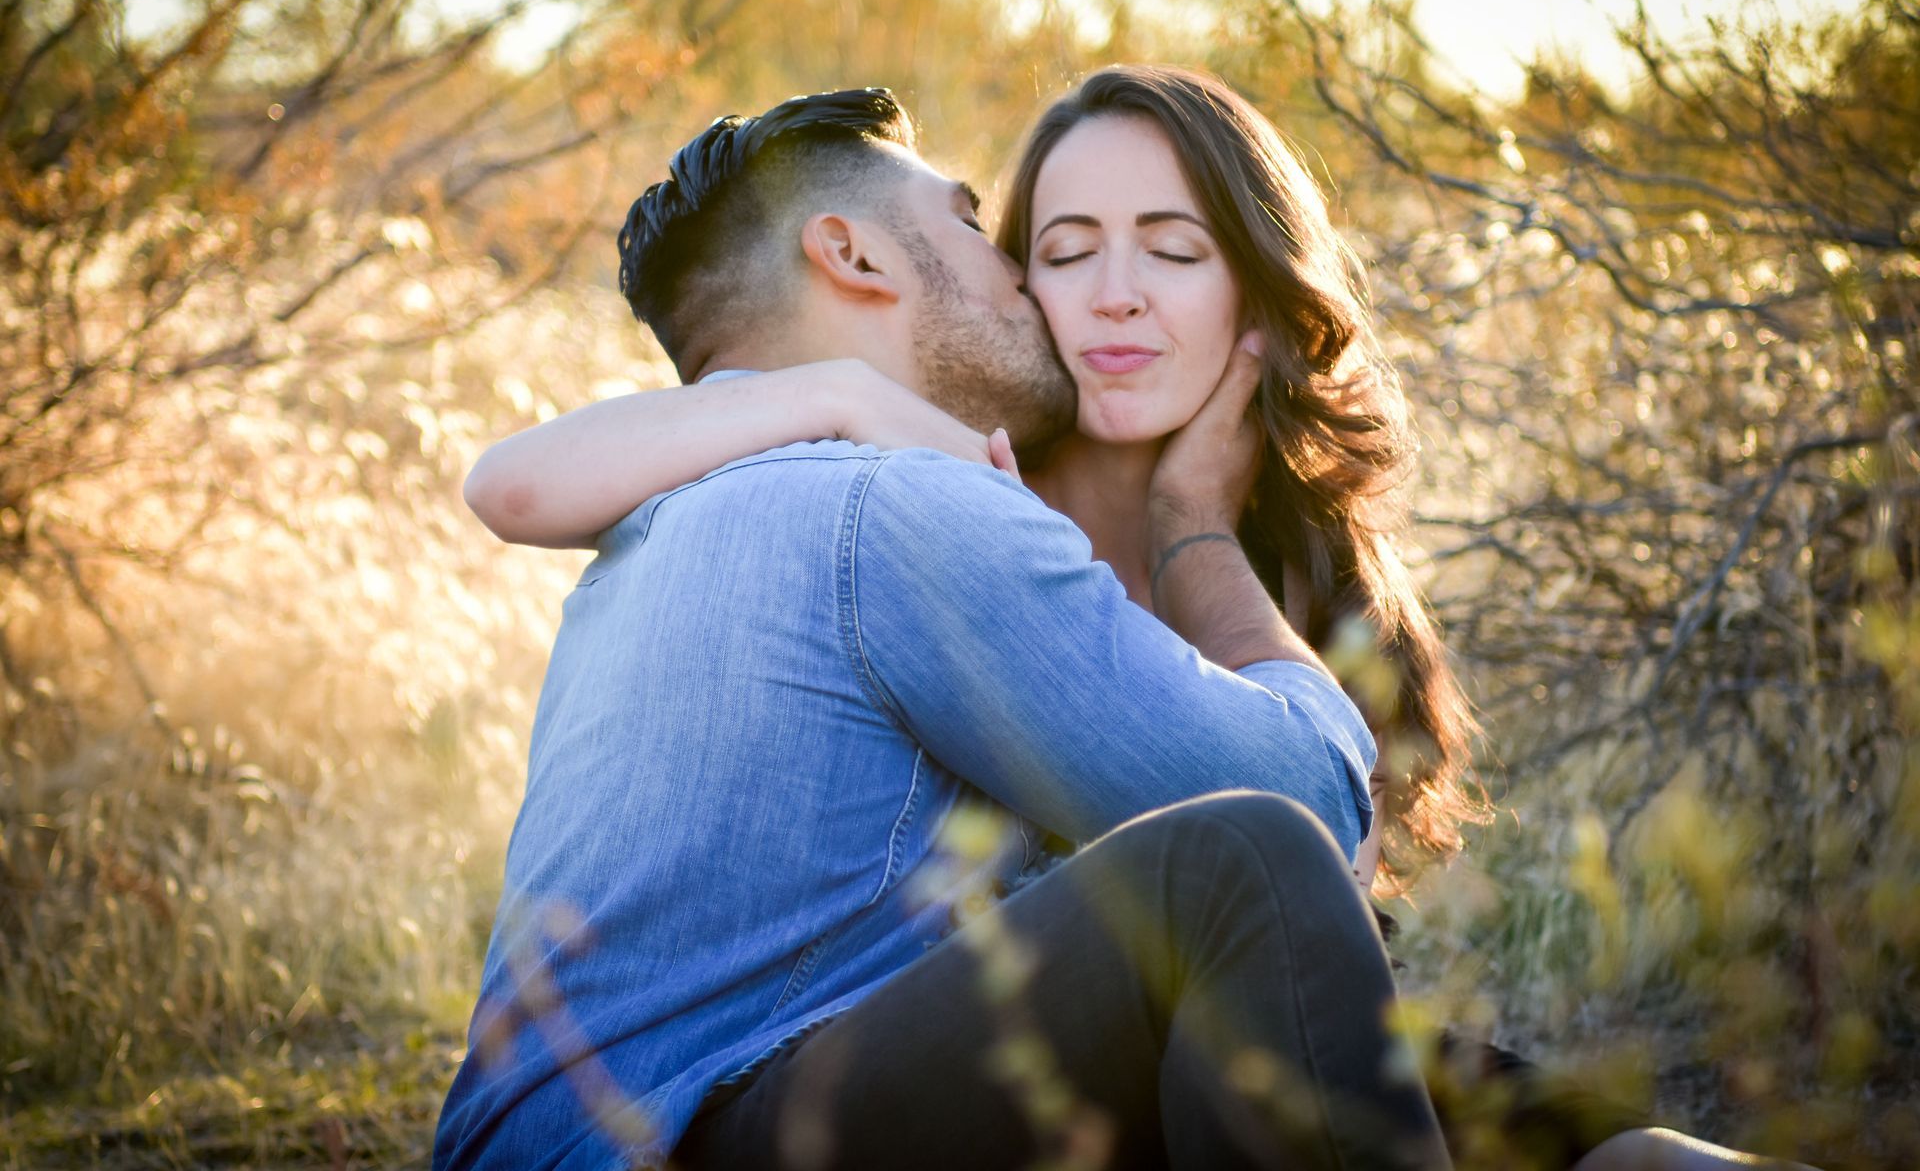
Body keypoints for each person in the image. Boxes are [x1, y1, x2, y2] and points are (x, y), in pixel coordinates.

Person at [463, 68, 1819, 1171]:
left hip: (624, 1126)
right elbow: (1302, 805)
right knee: (1238, 864)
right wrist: (1193, 530)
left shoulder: (669, 513)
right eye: (981, 228)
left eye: (1171, 251)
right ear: (853, 252)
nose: (1025, 280)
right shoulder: (897, 503)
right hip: (702, 1134)